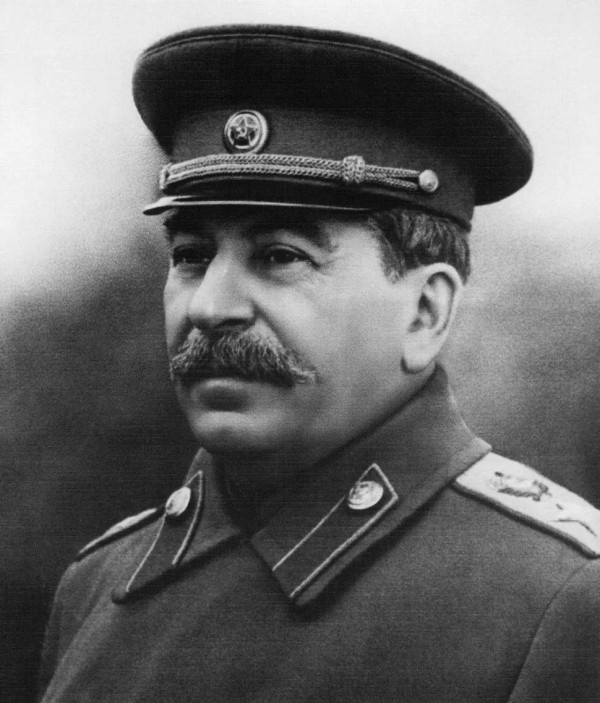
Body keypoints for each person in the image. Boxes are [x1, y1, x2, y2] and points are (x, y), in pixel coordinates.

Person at [39, 25, 600, 703]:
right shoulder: (98, 587)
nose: (210, 305)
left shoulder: (559, 599)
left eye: (280, 256)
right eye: (190, 255)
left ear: (425, 312)